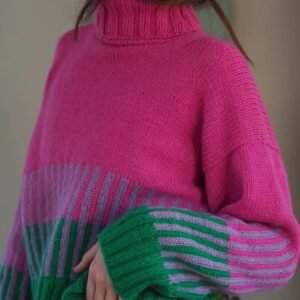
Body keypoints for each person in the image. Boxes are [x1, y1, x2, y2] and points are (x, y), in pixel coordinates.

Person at [0, 0, 299, 299]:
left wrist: (146, 242)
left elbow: (276, 248)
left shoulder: (215, 68)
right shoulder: (69, 52)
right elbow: (26, 231)